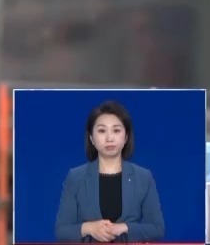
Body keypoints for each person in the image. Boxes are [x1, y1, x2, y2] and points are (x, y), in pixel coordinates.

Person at [54, 101, 165, 242]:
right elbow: (62, 231)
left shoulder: (143, 177)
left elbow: (157, 229)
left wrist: (125, 227)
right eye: (102, 131)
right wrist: (89, 228)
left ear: (126, 137)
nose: (109, 138)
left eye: (116, 130)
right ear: (91, 138)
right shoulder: (76, 177)